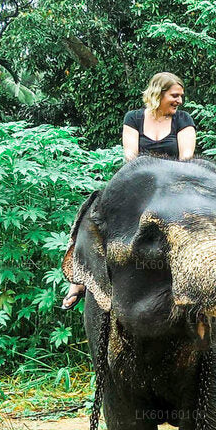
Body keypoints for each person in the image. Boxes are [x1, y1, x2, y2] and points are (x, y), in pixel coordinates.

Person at [61, 72, 197, 310]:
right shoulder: (133, 118)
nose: (179, 101)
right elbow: (131, 157)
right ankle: (80, 279)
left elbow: (186, 158)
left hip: (176, 185)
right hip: (140, 185)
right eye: (175, 95)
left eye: (181, 96)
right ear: (158, 93)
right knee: (92, 211)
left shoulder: (183, 120)